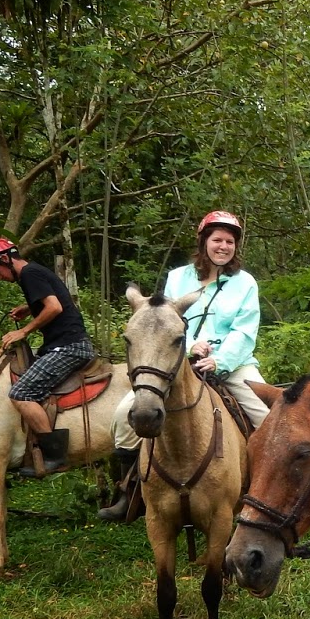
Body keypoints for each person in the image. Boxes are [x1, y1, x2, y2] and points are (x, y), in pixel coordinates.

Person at [100, 210, 271, 520]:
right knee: (124, 416)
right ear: (204, 241)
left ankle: (265, 496)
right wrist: (191, 346)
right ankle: (130, 491)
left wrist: (219, 360)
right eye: (217, 240)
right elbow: (165, 321)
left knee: (269, 420)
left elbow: (245, 331)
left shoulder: (245, 283)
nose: (223, 246)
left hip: (233, 364)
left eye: (230, 241)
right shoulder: (179, 277)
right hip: (178, 361)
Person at [0, 237, 95, 477]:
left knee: (20, 393)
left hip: (69, 346)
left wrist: (23, 331)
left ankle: (55, 457)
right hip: (62, 343)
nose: (0, 277)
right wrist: (28, 308)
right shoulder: (32, 273)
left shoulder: (30, 274)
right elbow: (54, 298)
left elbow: (55, 306)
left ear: (5, 259)